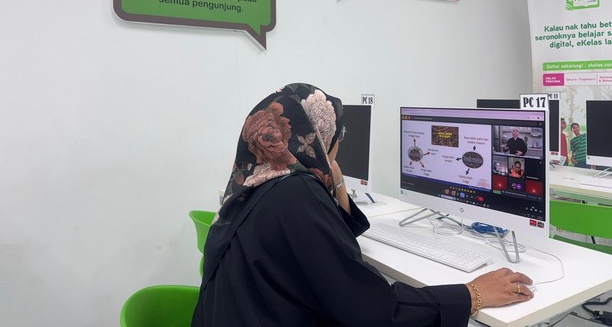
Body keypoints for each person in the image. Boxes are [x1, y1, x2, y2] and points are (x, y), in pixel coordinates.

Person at [192, 83, 534, 327]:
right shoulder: (296, 194)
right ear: (317, 136)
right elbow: (373, 310)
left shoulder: (255, 180)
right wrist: (471, 294)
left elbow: (324, 246)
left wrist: (334, 179)